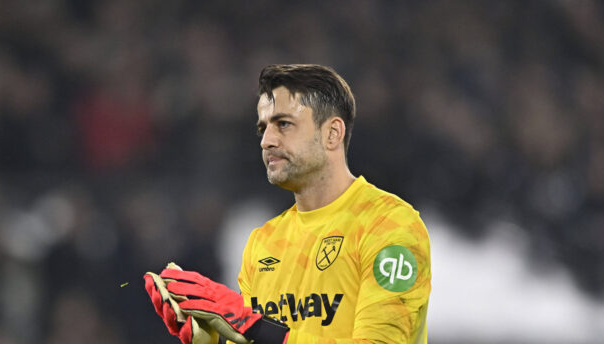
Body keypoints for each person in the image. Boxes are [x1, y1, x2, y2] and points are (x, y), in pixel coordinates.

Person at [144, 64, 431, 344]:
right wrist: (209, 339)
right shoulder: (264, 242)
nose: (266, 141)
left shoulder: (389, 227)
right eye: (263, 128)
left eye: (284, 124)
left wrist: (253, 326)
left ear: (332, 134)